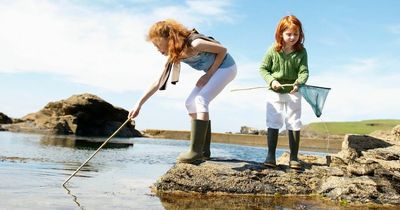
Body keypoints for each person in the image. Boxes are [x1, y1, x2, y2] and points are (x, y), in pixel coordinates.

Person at [128, 19, 237, 163]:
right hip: (213, 72)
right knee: (190, 103)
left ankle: (196, 152)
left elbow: (223, 50)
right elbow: (159, 81)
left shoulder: (195, 44)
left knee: (201, 99)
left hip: (226, 68)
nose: (156, 48)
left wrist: (208, 75)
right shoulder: (175, 54)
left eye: (157, 44)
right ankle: (204, 150)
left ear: (168, 38)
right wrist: (138, 104)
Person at [259, 15, 309, 169]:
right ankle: (270, 156)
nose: (292, 37)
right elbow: (263, 69)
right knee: (274, 121)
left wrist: (299, 83)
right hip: (274, 92)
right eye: (289, 34)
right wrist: (272, 81)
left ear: (300, 34)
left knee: (294, 122)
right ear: (281, 34)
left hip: (294, 92)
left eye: (296, 34)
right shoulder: (272, 50)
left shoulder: (302, 52)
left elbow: (304, 72)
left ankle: (294, 157)